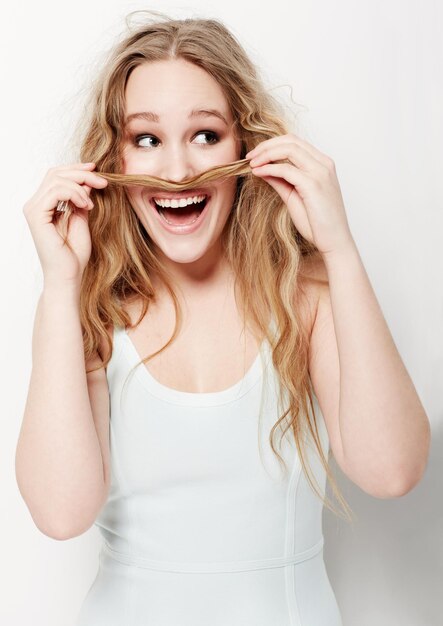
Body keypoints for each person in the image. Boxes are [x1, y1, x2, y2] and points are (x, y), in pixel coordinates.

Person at [15, 11, 431, 626]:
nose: (180, 170)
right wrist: (60, 287)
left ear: (247, 146)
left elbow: (392, 469)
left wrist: (340, 250)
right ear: (113, 157)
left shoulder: (306, 293)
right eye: (147, 139)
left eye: (206, 134)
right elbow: (59, 513)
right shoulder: (88, 309)